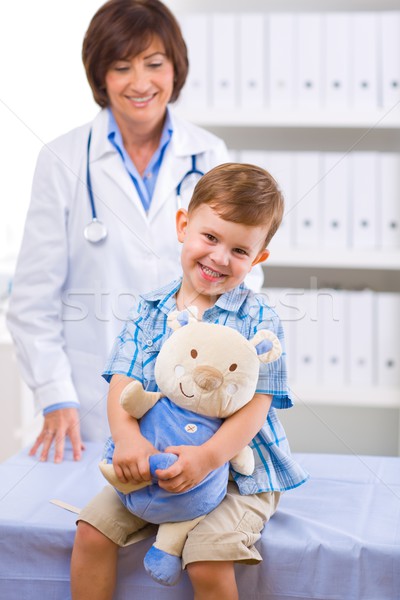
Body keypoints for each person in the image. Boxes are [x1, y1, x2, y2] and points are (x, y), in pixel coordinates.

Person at [6, 0, 265, 463]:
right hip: (89, 403)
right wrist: (55, 395)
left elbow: (244, 271)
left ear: (175, 68)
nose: (141, 82)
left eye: (154, 63)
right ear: (100, 77)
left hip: (193, 396)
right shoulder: (63, 159)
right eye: (121, 66)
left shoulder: (207, 153)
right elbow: (31, 299)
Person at [70, 163, 309, 600]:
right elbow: (123, 381)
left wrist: (207, 459)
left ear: (258, 259)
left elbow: (257, 407)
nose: (219, 257)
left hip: (238, 472)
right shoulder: (148, 309)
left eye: (239, 251)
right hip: (154, 460)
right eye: (211, 238)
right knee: (90, 533)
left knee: (206, 559)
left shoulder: (261, 320)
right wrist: (127, 440)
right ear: (184, 226)